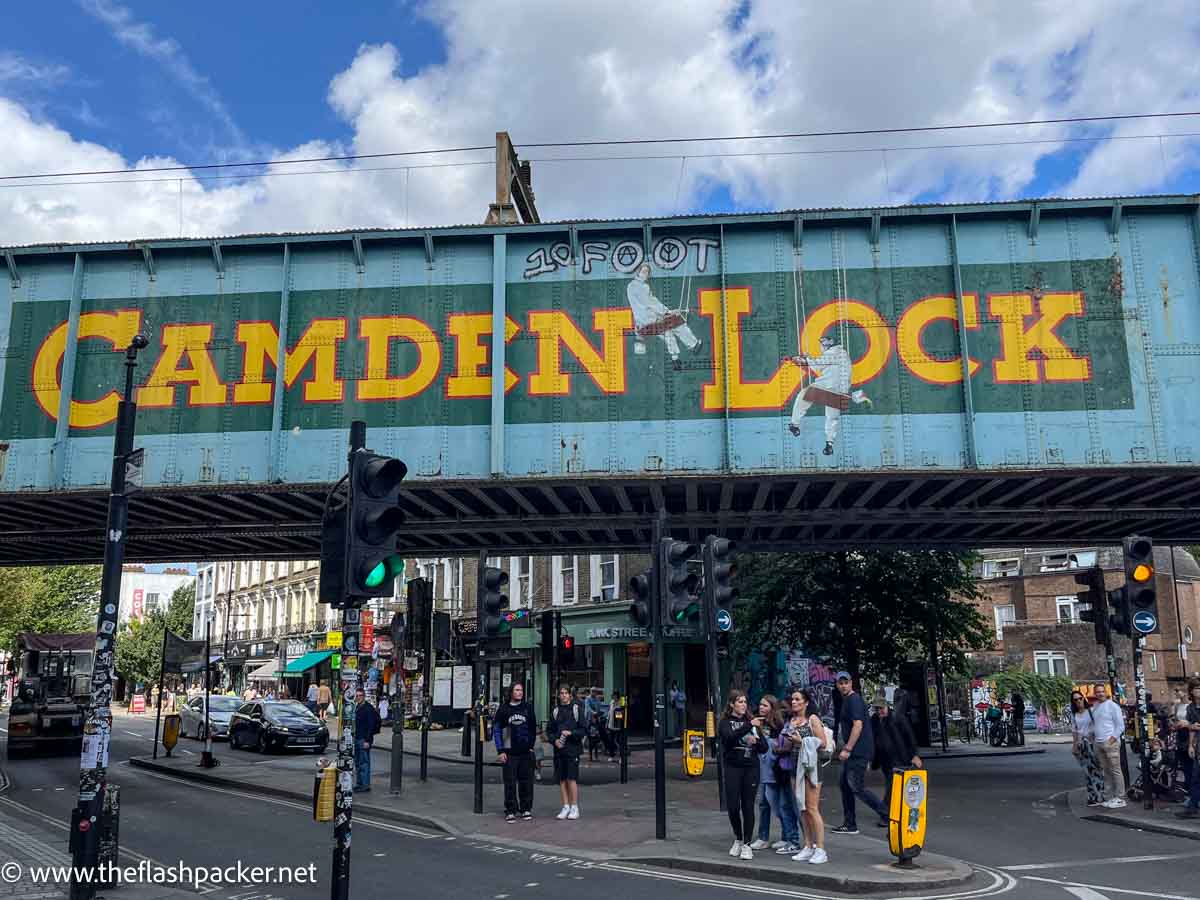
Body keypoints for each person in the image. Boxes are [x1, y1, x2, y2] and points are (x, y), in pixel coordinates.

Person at [785, 335, 870, 455]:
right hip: (840, 391)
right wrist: (804, 360)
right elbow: (821, 364)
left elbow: (817, 365)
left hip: (826, 387)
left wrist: (805, 359)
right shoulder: (841, 354)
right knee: (832, 418)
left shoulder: (834, 352)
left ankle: (794, 424)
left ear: (826, 345)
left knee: (803, 396)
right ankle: (829, 444)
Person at [833, 672, 885, 833]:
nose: (843, 685)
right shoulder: (848, 700)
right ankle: (850, 824)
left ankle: (888, 814)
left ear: (851, 683)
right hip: (855, 751)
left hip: (857, 751)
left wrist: (847, 748)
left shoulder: (853, 700)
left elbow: (858, 725)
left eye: (845, 682)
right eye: (840, 683)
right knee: (845, 785)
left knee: (857, 787)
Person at [748, 695, 800, 855]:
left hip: (775, 771)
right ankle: (780, 837)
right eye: (760, 705)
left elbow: (781, 745)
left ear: (772, 707)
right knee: (768, 803)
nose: (761, 708)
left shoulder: (777, 724)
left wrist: (771, 747)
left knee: (779, 804)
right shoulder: (759, 723)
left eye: (765, 705)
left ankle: (788, 837)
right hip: (765, 769)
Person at [719, 689, 767, 860]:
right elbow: (729, 738)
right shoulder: (725, 722)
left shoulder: (752, 722)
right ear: (732, 704)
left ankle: (747, 843)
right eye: (739, 702)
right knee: (732, 806)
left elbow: (764, 748)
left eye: (745, 702)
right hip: (732, 767)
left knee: (748, 806)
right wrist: (749, 725)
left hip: (751, 768)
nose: (743, 705)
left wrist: (757, 741)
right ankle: (738, 838)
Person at [626, 262, 700, 368]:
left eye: (647, 272)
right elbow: (652, 303)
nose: (646, 274)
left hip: (643, 325)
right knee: (678, 322)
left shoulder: (631, 286)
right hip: (651, 321)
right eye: (644, 271)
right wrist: (669, 312)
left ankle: (675, 360)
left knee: (668, 334)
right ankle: (694, 344)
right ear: (638, 272)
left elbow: (645, 305)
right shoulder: (641, 287)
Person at [785, 688, 829, 865]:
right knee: (801, 808)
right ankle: (808, 845)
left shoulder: (813, 719)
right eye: (792, 699)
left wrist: (800, 741)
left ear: (806, 702)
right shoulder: (792, 720)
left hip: (811, 767)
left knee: (812, 808)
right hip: (795, 766)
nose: (793, 702)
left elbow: (823, 743)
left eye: (797, 699)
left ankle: (821, 849)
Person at [870, 692, 921, 821]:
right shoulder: (874, 720)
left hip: (899, 758)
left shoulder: (897, 718)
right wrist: (873, 760)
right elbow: (874, 741)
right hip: (885, 760)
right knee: (891, 785)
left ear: (887, 707)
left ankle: (885, 812)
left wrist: (914, 755)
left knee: (893, 786)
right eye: (877, 709)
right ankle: (893, 812)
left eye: (881, 708)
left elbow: (909, 737)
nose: (879, 711)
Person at [493, 682, 537, 822]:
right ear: (511, 692)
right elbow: (498, 730)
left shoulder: (527, 708)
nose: (520, 692)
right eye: (517, 690)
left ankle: (526, 809)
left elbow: (532, 728)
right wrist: (500, 751)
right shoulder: (504, 709)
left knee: (526, 782)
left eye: (521, 690)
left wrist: (531, 746)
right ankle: (510, 810)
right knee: (510, 782)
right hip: (509, 750)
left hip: (525, 751)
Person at [547, 684, 586, 820]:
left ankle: (575, 807)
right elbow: (549, 731)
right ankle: (566, 806)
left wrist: (571, 733)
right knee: (562, 779)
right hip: (559, 750)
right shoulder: (555, 711)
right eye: (561, 693)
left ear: (570, 695)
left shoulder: (576, 710)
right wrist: (554, 741)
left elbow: (583, 729)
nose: (563, 695)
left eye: (565, 693)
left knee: (572, 778)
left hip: (573, 750)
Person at [1091, 683, 1127, 809]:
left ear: (1106, 692)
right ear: (1094, 693)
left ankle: (1120, 797)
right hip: (1099, 743)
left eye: (1102, 691)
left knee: (1115, 770)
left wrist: (1110, 741)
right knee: (1106, 771)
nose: (1100, 694)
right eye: (1097, 692)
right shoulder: (1095, 707)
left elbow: (1120, 726)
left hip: (1110, 743)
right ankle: (1110, 796)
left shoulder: (1112, 706)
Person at [1070, 690, 1105, 807]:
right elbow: (1075, 732)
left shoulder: (1090, 711)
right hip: (1082, 746)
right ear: (1073, 702)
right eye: (1075, 700)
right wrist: (1074, 746)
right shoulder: (1074, 715)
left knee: (1097, 770)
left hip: (1093, 744)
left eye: (1080, 698)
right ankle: (1092, 797)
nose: (1078, 701)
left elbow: (1098, 725)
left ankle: (1101, 794)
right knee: (1087, 772)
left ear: (1083, 698)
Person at [1177, 681, 1200, 820]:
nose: (1198, 690)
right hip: (1198, 745)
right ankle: (1192, 808)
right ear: (1191, 691)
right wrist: (1191, 745)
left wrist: (1193, 726)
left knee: (1196, 777)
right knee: (1195, 778)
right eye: (1196, 688)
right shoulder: (1191, 707)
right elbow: (1192, 728)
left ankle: (1192, 807)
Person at [353, 688, 381, 792]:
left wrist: (367, 741)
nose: (358, 697)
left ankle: (365, 785)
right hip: (357, 738)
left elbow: (371, 725)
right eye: (356, 696)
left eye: (360, 695)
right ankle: (360, 783)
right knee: (358, 762)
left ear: (364, 696)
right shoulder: (357, 707)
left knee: (364, 763)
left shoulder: (368, 708)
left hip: (363, 739)